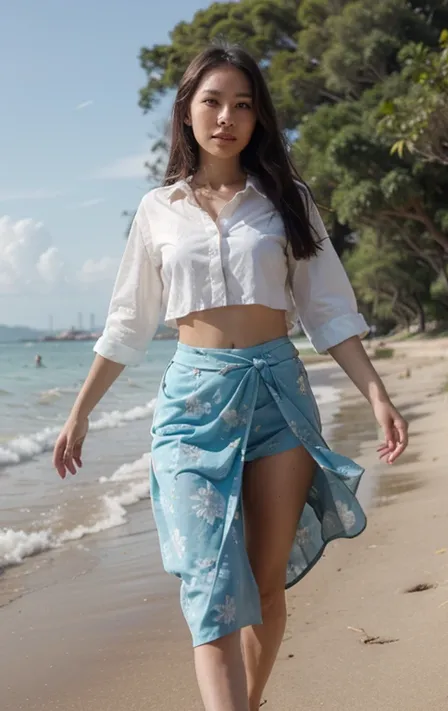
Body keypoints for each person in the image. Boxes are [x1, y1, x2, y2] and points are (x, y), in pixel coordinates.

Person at [52, 44, 408, 711]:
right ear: (186, 111)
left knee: (266, 584)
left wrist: (377, 393)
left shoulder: (288, 200)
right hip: (192, 400)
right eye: (213, 101)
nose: (227, 117)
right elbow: (128, 323)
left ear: (259, 118)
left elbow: (328, 309)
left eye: (243, 104)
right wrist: (80, 412)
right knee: (210, 585)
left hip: (278, 392)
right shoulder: (159, 209)